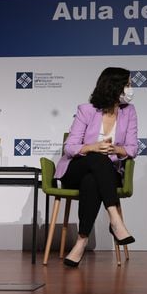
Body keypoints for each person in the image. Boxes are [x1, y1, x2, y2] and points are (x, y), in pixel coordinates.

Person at [54, 67, 138, 267]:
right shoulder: (87, 110)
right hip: (76, 169)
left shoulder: (129, 112)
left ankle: (81, 241)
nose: (130, 89)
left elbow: (133, 149)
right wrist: (94, 147)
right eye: (127, 84)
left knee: (92, 181)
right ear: (114, 87)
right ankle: (115, 220)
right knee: (97, 158)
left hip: (107, 174)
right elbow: (70, 148)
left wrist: (116, 150)